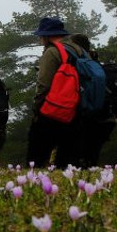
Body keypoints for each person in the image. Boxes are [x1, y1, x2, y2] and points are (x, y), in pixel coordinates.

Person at [26, 17, 85, 168]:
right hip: (76, 112)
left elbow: (44, 85)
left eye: (40, 36)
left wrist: (37, 109)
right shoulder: (79, 51)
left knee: (35, 160)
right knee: (66, 162)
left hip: (54, 112)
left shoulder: (52, 52)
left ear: (46, 36)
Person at [67, 33, 117, 167]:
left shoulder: (77, 63)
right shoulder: (97, 64)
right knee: (91, 159)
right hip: (105, 117)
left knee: (75, 160)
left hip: (84, 116)